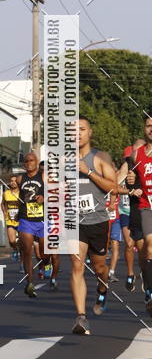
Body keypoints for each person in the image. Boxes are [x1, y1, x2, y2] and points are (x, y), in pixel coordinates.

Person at [69, 117, 117, 335]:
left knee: (99, 269)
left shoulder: (100, 157)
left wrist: (87, 171)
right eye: (73, 130)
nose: (77, 133)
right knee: (77, 266)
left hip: (98, 221)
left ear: (90, 132)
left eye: (82, 129)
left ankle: (102, 287)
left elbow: (113, 187)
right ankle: (81, 317)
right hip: (74, 221)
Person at [17, 152, 59, 296]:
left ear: (37, 162)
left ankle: (45, 262)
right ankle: (29, 283)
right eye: (26, 161)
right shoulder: (19, 179)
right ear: (24, 163)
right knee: (27, 251)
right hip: (26, 219)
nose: (29, 163)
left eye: (32, 160)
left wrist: (44, 198)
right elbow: (16, 195)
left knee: (43, 252)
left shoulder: (44, 177)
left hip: (43, 219)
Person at [128, 120, 152, 315]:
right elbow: (128, 176)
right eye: (148, 125)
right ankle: (150, 287)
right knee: (147, 248)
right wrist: (130, 181)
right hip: (146, 207)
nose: (151, 129)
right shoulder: (137, 154)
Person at [118, 139, 145, 291]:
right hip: (126, 211)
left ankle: (145, 272)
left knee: (144, 249)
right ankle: (130, 273)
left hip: (144, 211)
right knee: (129, 244)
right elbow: (113, 185)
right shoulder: (126, 165)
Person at [1, 175, 21, 261]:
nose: (13, 182)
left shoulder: (22, 193)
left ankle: (22, 263)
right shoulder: (6, 193)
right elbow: (2, 204)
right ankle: (15, 249)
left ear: (18, 182)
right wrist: (4, 212)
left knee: (23, 244)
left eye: (15, 181)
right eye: (11, 181)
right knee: (12, 241)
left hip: (21, 221)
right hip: (10, 220)